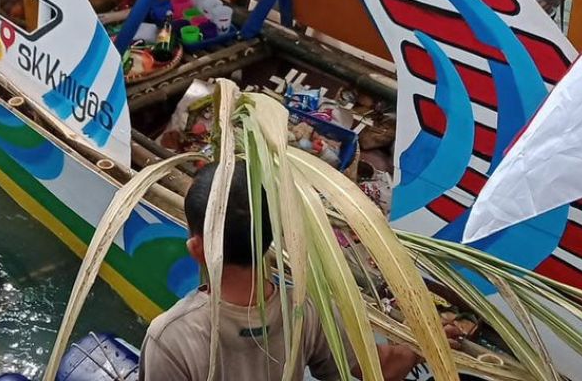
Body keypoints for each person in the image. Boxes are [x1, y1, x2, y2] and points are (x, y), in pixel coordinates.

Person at [140, 162, 448, 380]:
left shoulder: (170, 338)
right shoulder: (307, 310)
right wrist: (424, 346)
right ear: (270, 236)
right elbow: (377, 369)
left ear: (197, 249)